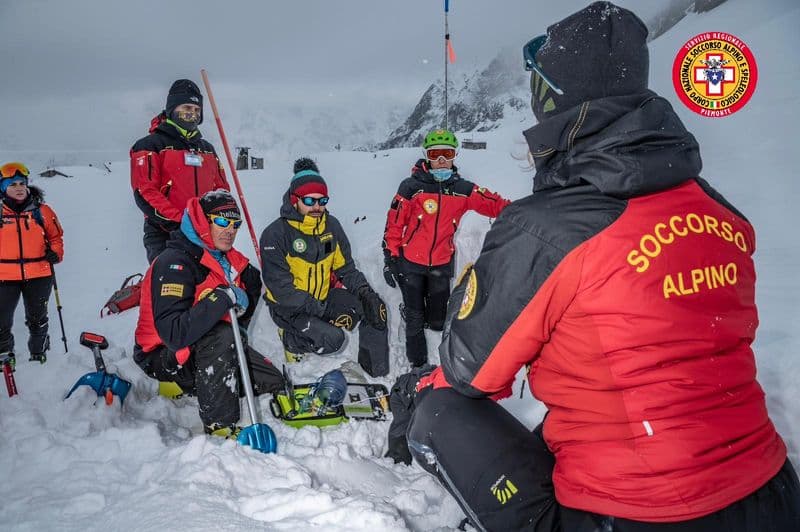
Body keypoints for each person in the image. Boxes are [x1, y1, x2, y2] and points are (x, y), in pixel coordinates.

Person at [397, 3, 800, 531]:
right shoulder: (719, 212)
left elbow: (470, 371)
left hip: (637, 513)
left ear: (551, 98)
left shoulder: (550, 228)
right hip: (772, 492)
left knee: (438, 409)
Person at [133, 189, 283, 436]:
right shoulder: (174, 263)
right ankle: (219, 425)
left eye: (236, 224)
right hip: (164, 354)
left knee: (272, 382)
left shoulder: (226, 258)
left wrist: (241, 325)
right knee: (222, 335)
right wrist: (222, 297)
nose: (230, 230)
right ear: (203, 221)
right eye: (222, 221)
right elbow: (174, 334)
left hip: (207, 344)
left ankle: (208, 379)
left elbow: (253, 282)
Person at [382, 129, 510, 367]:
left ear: (454, 156)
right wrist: (390, 257)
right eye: (435, 153)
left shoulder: (462, 189)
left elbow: (495, 204)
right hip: (411, 263)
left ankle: (424, 316)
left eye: (447, 153)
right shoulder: (411, 187)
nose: (441, 159)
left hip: (441, 263)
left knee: (438, 321)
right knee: (415, 318)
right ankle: (417, 366)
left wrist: (523, 212)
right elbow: (394, 224)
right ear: (427, 156)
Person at [260, 158, 389, 378]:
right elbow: (282, 290)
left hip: (320, 297)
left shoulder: (332, 226)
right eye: (309, 201)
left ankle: (375, 374)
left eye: (322, 200)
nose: (317, 207)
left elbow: (346, 269)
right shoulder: (276, 234)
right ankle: (292, 339)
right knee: (334, 339)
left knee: (375, 311)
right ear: (295, 200)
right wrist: (320, 311)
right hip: (288, 308)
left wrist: (367, 294)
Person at [130, 79, 230, 263]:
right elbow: (145, 191)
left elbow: (222, 190)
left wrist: (223, 219)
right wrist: (179, 221)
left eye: (196, 110)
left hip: (206, 232)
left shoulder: (207, 149)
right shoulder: (150, 145)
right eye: (186, 107)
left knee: (211, 286)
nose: (191, 114)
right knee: (174, 285)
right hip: (166, 232)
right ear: (172, 109)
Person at [0, 162, 64, 366]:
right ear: (3, 187)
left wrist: (55, 253)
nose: (19, 188)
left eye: (22, 183)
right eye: (12, 184)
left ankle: (39, 350)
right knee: (2, 320)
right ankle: (4, 354)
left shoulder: (42, 211)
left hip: (39, 273)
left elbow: (56, 237)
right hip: (4, 275)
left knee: (37, 317)